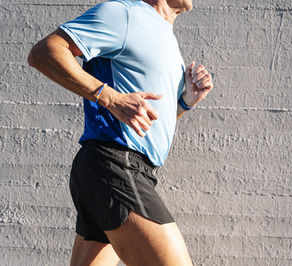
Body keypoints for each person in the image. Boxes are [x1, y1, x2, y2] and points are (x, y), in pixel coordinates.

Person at [27, 0, 213, 265]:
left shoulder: (166, 38)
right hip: (116, 166)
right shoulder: (125, 14)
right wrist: (110, 98)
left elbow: (143, 120)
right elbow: (44, 52)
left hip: (119, 170)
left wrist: (184, 102)